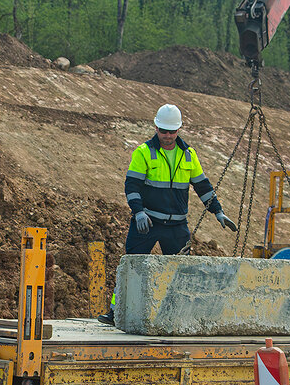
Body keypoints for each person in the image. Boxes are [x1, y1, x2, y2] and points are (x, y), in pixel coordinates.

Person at [98, 104, 236, 324]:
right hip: (147, 222)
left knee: (181, 272)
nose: (168, 136)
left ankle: (179, 315)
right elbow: (131, 186)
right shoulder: (143, 153)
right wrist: (139, 212)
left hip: (176, 227)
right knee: (130, 267)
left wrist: (217, 211)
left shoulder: (189, 155)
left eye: (172, 131)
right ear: (156, 127)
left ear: (179, 129)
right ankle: (116, 311)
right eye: (164, 131)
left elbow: (203, 186)